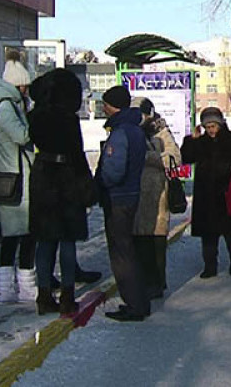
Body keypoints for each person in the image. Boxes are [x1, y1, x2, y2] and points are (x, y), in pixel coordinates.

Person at [27, 68, 96, 315]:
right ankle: (67, 295)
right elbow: (76, 153)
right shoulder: (68, 119)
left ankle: (43, 295)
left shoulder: (35, 116)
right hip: (66, 178)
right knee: (68, 239)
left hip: (42, 174)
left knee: (45, 241)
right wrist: (87, 183)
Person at [0, 52, 36, 304]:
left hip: (9, 175)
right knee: (22, 234)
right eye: (24, 85)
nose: (27, 90)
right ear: (17, 84)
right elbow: (21, 136)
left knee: (13, 234)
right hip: (16, 178)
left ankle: (8, 288)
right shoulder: (6, 106)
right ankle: (23, 288)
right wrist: (33, 122)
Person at [95, 86, 150, 321]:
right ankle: (139, 299)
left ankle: (134, 303)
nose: (103, 108)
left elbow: (113, 170)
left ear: (113, 105)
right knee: (128, 249)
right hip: (131, 194)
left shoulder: (120, 132)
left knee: (121, 252)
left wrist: (101, 184)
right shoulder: (135, 128)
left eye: (105, 104)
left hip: (118, 197)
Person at [180, 107, 231, 278]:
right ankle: (210, 266)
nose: (211, 130)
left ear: (220, 124)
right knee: (208, 235)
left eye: (213, 126)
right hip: (206, 195)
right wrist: (191, 141)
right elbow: (186, 158)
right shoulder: (200, 142)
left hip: (228, 193)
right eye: (207, 126)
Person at [131, 98, 181, 299]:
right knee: (138, 241)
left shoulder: (161, 131)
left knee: (156, 242)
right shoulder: (130, 131)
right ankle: (142, 281)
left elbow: (174, 157)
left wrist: (147, 157)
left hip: (157, 193)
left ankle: (157, 282)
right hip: (135, 194)